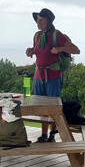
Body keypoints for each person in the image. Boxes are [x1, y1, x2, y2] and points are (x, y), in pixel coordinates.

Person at [25, 8, 80, 142]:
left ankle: (52, 135)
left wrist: (60, 49)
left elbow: (76, 50)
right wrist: (31, 50)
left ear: (49, 21)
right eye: (37, 20)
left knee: (54, 108)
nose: (38, 23)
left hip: (54, 76)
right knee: (42, 107)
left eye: (41, 20)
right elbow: (38, 51)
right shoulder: (37, 36)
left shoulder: (57, 35)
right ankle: (44, 135)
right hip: (39, 76)